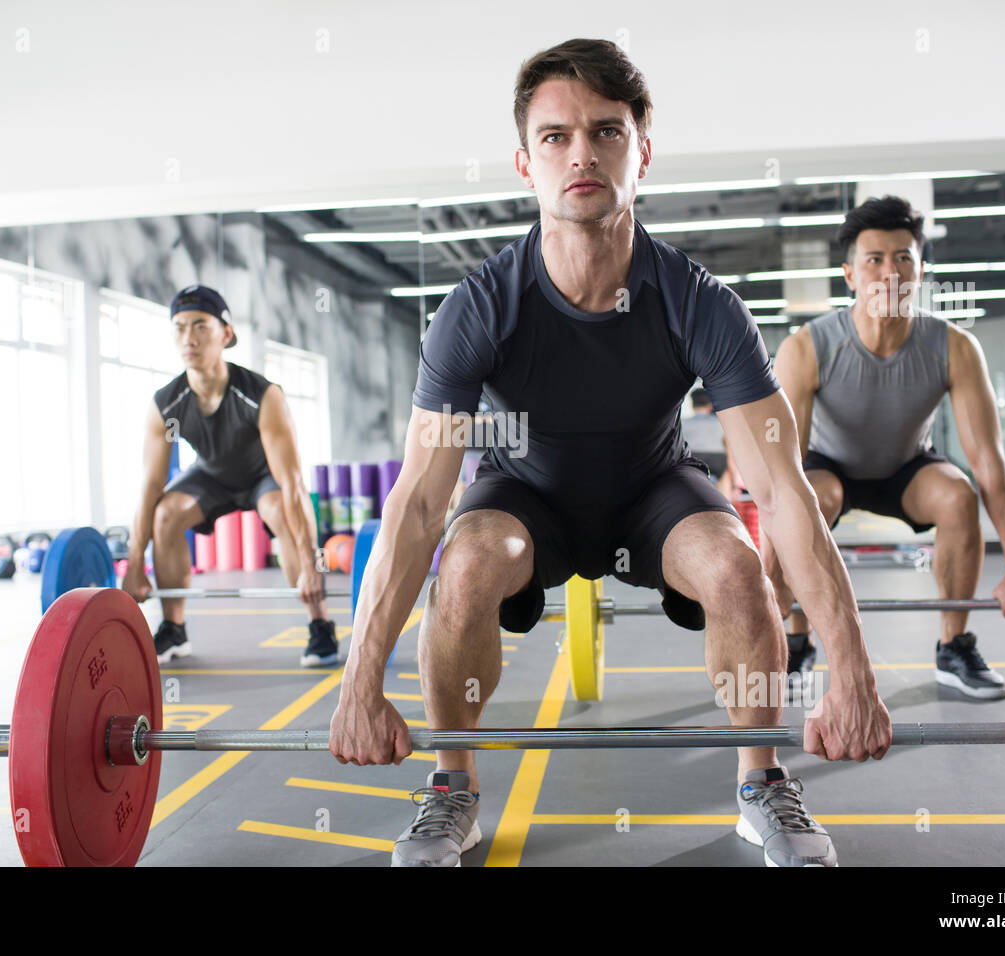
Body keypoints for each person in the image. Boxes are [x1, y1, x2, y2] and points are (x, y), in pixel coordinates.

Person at [328, 38, 892, 868]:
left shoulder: (702, 304)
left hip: (652, 494)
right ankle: (453, 788)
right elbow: (416, 503)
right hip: (525, 496)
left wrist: (851, 673)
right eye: (556, 136)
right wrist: (358, 681)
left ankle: (761, 782)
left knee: (739, 567)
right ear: (526, 162)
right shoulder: (477, 310)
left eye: (606, 131)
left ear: (642, 152)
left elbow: (782, 492)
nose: (582, 153)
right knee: (467, 563)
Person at [765, 197, 1005, 701]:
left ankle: (953, 647)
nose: (889, 272)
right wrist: (770, 574)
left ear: (921, 269)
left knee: (959, 495)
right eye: (874, 260)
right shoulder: (808, 347)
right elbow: (782, 469)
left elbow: (989, 465)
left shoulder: (953, 346)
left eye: (903, 258)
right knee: (812, 497)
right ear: (849, 274)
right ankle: (798, 643)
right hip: (829, 468)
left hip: (906, 468)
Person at [121, 284, 338, 668]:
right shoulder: (167, 405)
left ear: (227, 333)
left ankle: (319, 622)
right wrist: (135, 563)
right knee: (165, 512)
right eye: (180, 327)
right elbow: (150, 487)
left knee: (281, 509)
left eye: (201, 326)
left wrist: (311, 563)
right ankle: (174, 629)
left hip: (261, 477)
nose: (189, 337)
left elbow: (292, 484)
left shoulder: (261, 395)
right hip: (211, 476)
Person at [681, 387, 727, 481]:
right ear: (710, 406)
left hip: (693, 457)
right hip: (718, 458)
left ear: (693, 405)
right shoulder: (721, 422)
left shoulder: (683, 423)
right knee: (725, 476)